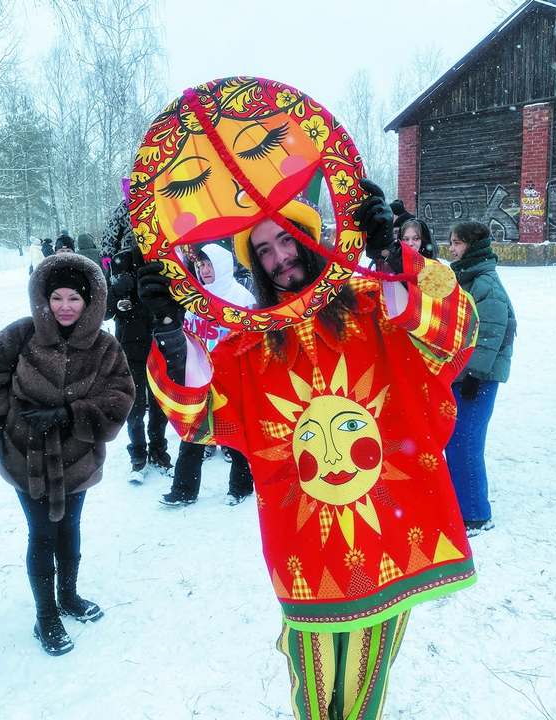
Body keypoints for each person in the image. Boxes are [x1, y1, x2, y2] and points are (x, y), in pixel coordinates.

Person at [140, 183, 479, 719]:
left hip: (390, 534)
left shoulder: (372, 307)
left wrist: (394, 261)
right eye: (264, 252)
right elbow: (198, 413)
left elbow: (450, 335)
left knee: (365, 681)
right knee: (314, 685)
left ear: (309, 237)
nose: (279, 259)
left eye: (285, 239)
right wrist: (169, 336)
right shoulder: (246, 347)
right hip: (306, 548)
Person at [0, 253, 134, 656]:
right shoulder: (20, 335)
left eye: (74, 298)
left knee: (69, 529)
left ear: (90, 301)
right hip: (27, 457)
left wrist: (71, 413)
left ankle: (69, 596)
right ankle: (46, 615)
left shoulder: (106, 347)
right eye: (56, 297)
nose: (65, 307)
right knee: (41, 534)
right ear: (43, 298)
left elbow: (121, 395)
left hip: (79, 458)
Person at [161, 243, 256, 506]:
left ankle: (240, 486)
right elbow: (188, 332)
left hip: (231, 377)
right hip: (200, 376)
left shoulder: (241, 298)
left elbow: (252, 339)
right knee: (193, 433)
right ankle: (183, 490)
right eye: (201, 264)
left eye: (210, 264)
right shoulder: (197, 297)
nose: (204, 270)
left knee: (235, 432)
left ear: (224, 265)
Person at [444, 221, 516, 536]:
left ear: (473, 246)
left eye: (457, 243)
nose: (451, 248)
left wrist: (474, 373)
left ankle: (474, 514)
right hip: (465, 374)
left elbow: (492, 332)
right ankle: (463, 505)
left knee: (466, 442)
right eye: (451, 242)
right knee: (459, 442)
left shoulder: (484, 281)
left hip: (478, 377)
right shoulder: (468, 277)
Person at [101, 201, 173, 482]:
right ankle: (138, 455)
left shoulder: (164, 262)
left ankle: (159, 450)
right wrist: (116, 292)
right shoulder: (117, 263)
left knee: (159, 402)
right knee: (134, 404)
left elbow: (178, 303)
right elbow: (104, 311)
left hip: (161, 341)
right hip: (129, 344)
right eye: (135, 230)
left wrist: (161, 301)